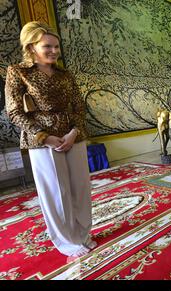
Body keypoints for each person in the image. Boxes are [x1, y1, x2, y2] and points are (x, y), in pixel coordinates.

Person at [5, 21, 96, 259]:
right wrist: (44, 137)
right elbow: (14, 112)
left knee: (80, 189)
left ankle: (83, 234)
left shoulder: (65, 74)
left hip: (72, 135)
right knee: (57, 193)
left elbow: (79, 106)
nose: (54, 51)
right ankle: (67, 242)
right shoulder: (19, 72)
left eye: (56, 46)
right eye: (48, 46)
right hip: (42, 141)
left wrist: (74, 132)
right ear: (32, 46)